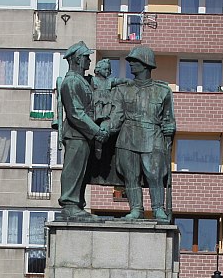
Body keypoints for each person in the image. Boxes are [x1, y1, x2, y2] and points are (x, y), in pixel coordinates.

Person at [110, 45, 176, 223]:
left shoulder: (163, 91)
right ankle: (136, 209)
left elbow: (168, 118)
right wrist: (102, 131)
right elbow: (116, 117)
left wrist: (171, 128)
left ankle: (158, 209)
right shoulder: (122, 89)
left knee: (155, 174)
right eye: (130, 61)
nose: (131, 64)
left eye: (135, 61)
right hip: (127, 137)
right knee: (130, 176)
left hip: (152, 136)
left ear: (146, 64)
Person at [57, 40, 107, 222]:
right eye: (86, 57)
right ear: (77, 59)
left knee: (82, 171)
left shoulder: (82, 81)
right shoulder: (71, 82)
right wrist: (96, 130)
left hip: (83, 135)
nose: (89, 61)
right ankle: (70, 204)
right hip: (76, 133)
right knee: (74, 168)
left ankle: (76, 203)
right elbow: (75, 113)